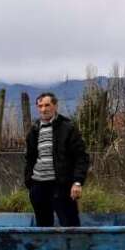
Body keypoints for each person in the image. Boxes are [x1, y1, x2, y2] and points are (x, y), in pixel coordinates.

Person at [24, 92, 90, 227]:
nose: (44, 109)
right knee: (43, 228)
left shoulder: (68, 128)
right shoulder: (34, 131)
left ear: (55, 106)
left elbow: (81, 156)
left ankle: (72, 248)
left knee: (70, 225)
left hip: (62, 186)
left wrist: (77, 182)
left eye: (47, 105)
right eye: (40, 106)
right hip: (39, 186)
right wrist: (29, 182)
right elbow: (30, 159)